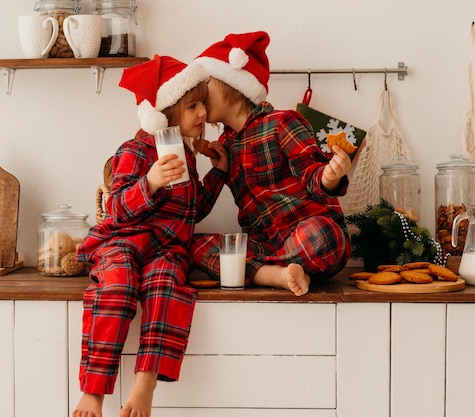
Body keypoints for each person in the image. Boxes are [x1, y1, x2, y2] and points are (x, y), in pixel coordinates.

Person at [72, 55, 228, 417]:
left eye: (203, 104)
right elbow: (118, 210)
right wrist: (152, 181)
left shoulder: (187, 157)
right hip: (124, 241)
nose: (202, 113)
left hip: (167, 249)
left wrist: (217, 174)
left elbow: (193, 210)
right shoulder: (134, 150)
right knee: (118, 285)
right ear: (164, 112)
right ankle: (94, 392)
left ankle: (145, 383)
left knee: (167, 284)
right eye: (192, 106)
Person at [191, 31, 352, 296]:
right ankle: (277, 274)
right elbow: (198, 210)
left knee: (324, 236)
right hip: (265, 245)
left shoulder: (282, 122)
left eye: (203, 85)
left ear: (231, 84)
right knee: (193, 245)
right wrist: (219, 171)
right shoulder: (225, 145)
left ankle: (258, 272)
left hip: (307, 236)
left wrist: (330, 176)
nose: (198, 95)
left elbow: (313, 173)